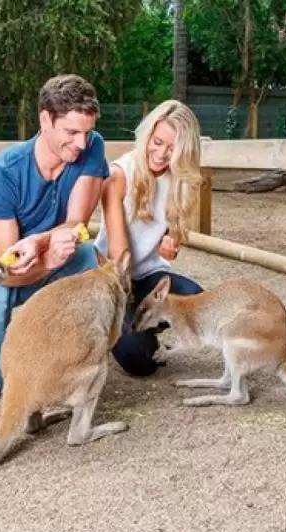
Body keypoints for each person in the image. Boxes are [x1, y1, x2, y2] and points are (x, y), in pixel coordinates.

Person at [0, 74, 111, 394]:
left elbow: (77, 225)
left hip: (28, 256)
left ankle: (60, 350)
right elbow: (1, 270)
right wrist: (48, 262)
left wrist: (40, 242)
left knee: (86, 257)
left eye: (86, 132)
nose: (81, 143)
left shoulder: (92, 145)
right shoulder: (3, 173)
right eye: (71, 132)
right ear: (45, 119)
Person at [93, 99, 207, 377]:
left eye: (171, 149)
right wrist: (127, 303)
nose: (160, 154)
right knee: (140, 363)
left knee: (198, 303)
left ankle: (146, 326)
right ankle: (119, 328)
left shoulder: (178, 179)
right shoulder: (119, 175)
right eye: (156, 142)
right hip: (118, 279)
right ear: (146, 135)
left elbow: (172, 234)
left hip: (149, 275)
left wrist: (171, 240)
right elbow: (119, 256)